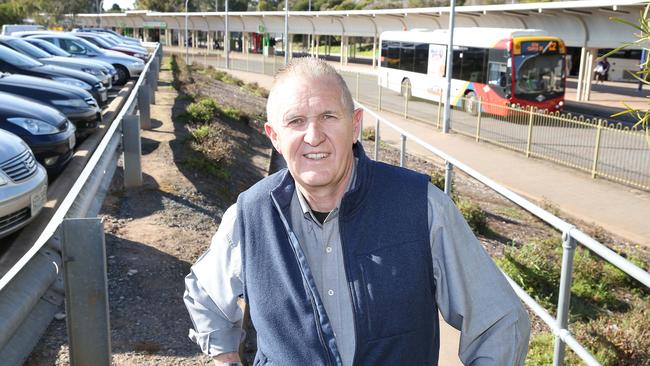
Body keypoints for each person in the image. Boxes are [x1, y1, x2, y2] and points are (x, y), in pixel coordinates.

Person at [184, 57, 530, 366]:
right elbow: (204, 294)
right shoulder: (249, 216)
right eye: (296, 121)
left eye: (328, 116)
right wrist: (225, 359)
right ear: (274, 136)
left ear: (356, 124)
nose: (313, 135)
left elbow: (499, 320)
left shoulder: (421, 206)